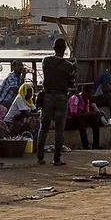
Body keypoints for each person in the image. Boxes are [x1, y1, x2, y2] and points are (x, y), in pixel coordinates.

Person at [37, 37, 76, 165]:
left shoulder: (46, 61)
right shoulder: (68, 66)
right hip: (61, 97)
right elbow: (71, 84)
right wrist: (73, 70)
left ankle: (40, 158)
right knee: (59, 129)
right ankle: (57, 159)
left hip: (47, 96)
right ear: (64, 49)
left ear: (53, 48)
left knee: (44, 128)